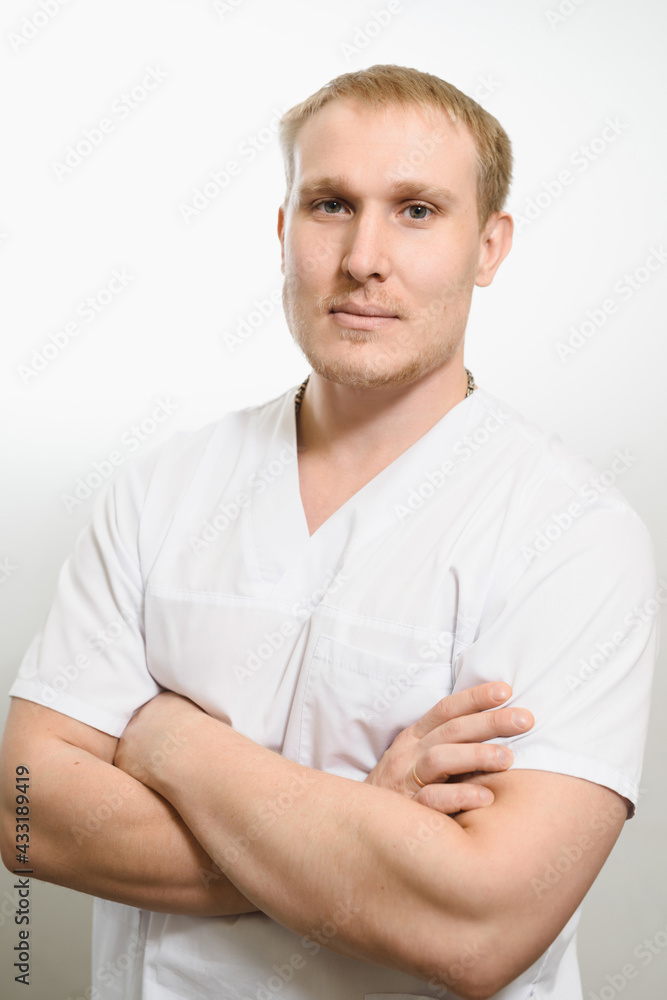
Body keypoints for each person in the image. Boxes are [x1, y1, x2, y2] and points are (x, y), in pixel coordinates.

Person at [0, 64, 657, 1000]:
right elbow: (25, 814)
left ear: (489, 246)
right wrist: (361, 835)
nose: (363, 258)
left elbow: (479, 928)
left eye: (417, 210)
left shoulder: (573, 536)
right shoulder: (161, 490)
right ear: (283, 231)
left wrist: (167, 740)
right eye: (330, 205)